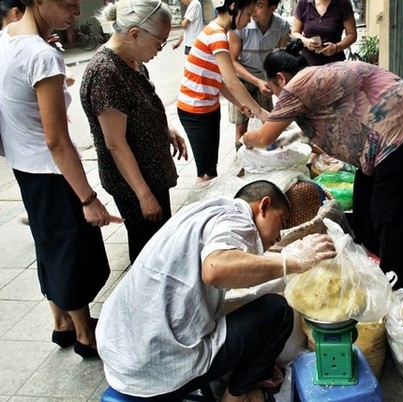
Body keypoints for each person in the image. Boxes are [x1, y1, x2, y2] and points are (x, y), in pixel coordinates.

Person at [96, 180, 336, 401]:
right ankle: (237, 395)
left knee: (245, 306)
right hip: (156, 367)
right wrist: (290, 261)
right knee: (277, 311)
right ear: (264, 205)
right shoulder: (239, 220)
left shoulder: (205, 211)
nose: (277, 237)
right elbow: (215, 269)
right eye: (281, 223)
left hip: (118, 352)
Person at [242, 40, 403, 289]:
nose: (278, 98)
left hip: (400, 125)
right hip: (393, 129)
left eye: (273, 89)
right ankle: (374, 257)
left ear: (280, 78)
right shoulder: (311, 79)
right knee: (365, 204)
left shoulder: (295, 86)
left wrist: (246, 138)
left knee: (389, 214)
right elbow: (309, 131)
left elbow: (264, 136)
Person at [0, 0, 122, 358]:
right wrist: (88, 199)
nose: (75, 11)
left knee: (49, 245)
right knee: (72, 253)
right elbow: (56, 140)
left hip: (25, 168)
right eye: (68, 4)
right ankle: (86, 335)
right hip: (51, 172)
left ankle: (61, 324)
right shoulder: (41, 55)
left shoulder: (7, 39)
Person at [80, 0, 188, 265]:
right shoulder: (106, 73)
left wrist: (166, 129)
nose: (160, 50)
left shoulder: (134, 61)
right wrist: (144, 195)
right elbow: (115, 143)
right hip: (134, 184)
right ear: (135, 34)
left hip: (151, 174)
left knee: (161, 244)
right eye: (159, 43)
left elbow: (141, 106)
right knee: (148, 254)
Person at [177, 0, 270, 185]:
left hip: (208, 107)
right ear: (235, 7)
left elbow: (218, 82)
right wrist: (260, 111)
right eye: (249, 14)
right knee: (205, 174)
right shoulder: (217, 35)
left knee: (210, 169)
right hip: (195, 111)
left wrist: (241, 105)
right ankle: (204, 208)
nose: (249, 21)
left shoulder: (218, 32)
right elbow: (232, 82)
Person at [228, 0, 290, 146]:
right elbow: (232, 61)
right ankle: (241, 161)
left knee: (267, 124)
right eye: (253, 4)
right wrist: (256, 81)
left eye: (259, 5)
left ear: (273, 8)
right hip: (240, 80)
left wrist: (277, 86)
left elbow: (280, 59)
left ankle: (267, 159)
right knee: (241, 126)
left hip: (265, 79)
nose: (253, 9)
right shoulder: (241, 25)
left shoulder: (282, 27)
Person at [290, 0, 357, 66]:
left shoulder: (343, 4)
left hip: (335, 64)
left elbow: (352, 34)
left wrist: (336, 47)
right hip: (307, 63)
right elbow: (294, 32)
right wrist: (306, 42)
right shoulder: (303, 3)